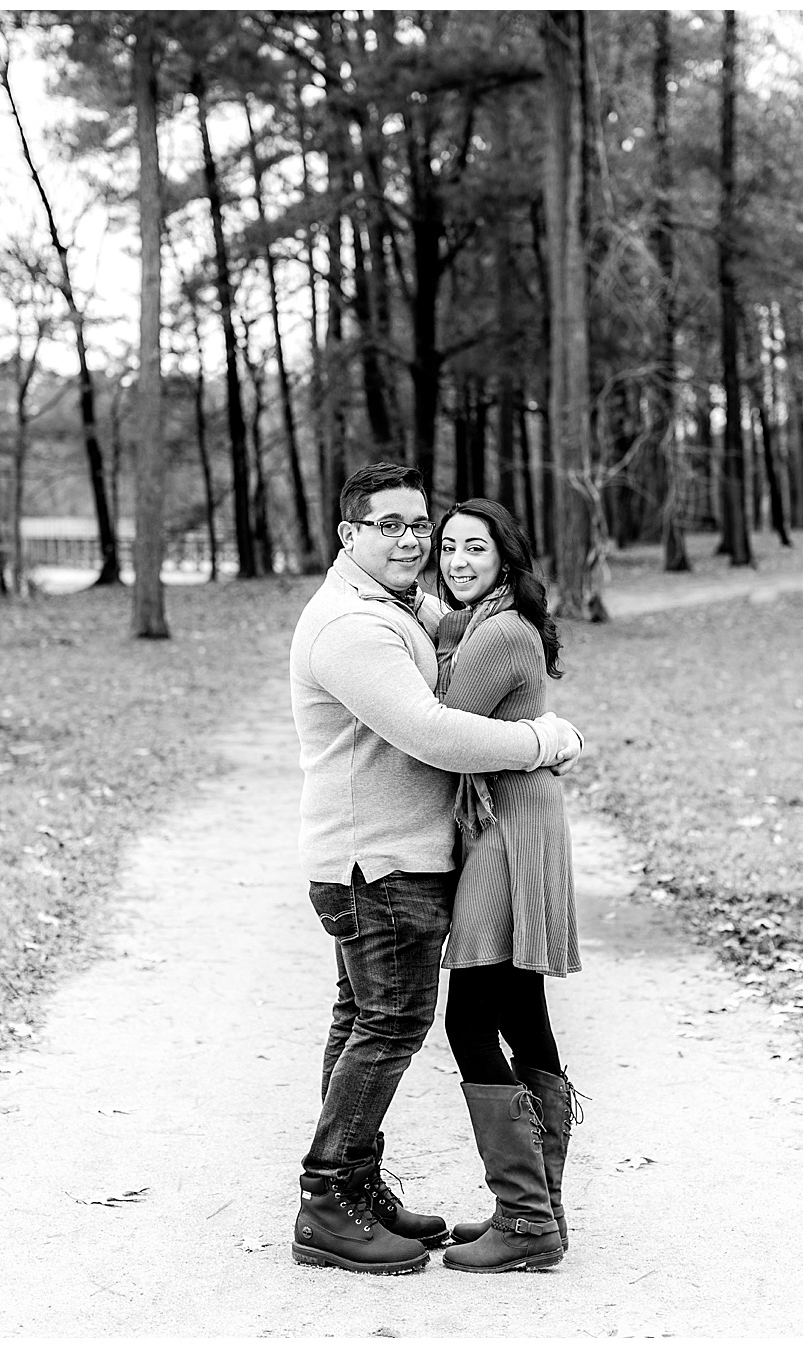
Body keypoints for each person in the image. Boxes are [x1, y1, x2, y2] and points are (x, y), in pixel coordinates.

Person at [287, 461, 585, 1276]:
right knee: (387, 1025)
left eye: (423, 527)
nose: (416, 543)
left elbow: (454, 620)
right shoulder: (353, 624)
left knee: (365, 1022)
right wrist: (543, 739)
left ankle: (359, 1190)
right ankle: (330, 1200)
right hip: (377, 861)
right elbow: (435, 731)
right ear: (350, 534)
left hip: (400, 856)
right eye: (394, 526)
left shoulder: (399, 607)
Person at [428, 499, 583, 1274]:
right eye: (448, 547)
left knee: (468, 1021)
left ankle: (526, 1221)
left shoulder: (494, 634)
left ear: (504, 558)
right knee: (522, 1009)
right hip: (521, 814)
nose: (458, 561)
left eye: (475, 548)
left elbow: (441, 732)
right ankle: (538, 1210)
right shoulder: (484, 624)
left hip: (508, 831)